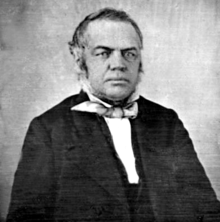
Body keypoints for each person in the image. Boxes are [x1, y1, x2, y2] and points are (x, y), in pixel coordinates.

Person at [6, 7, 220, 222]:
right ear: (81, 61)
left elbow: (207, 209)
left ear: (140, 62)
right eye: (103, 53)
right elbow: (26, 217)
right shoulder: (48, 129)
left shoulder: (167, 122)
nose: (118, 64)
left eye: (129, 54)